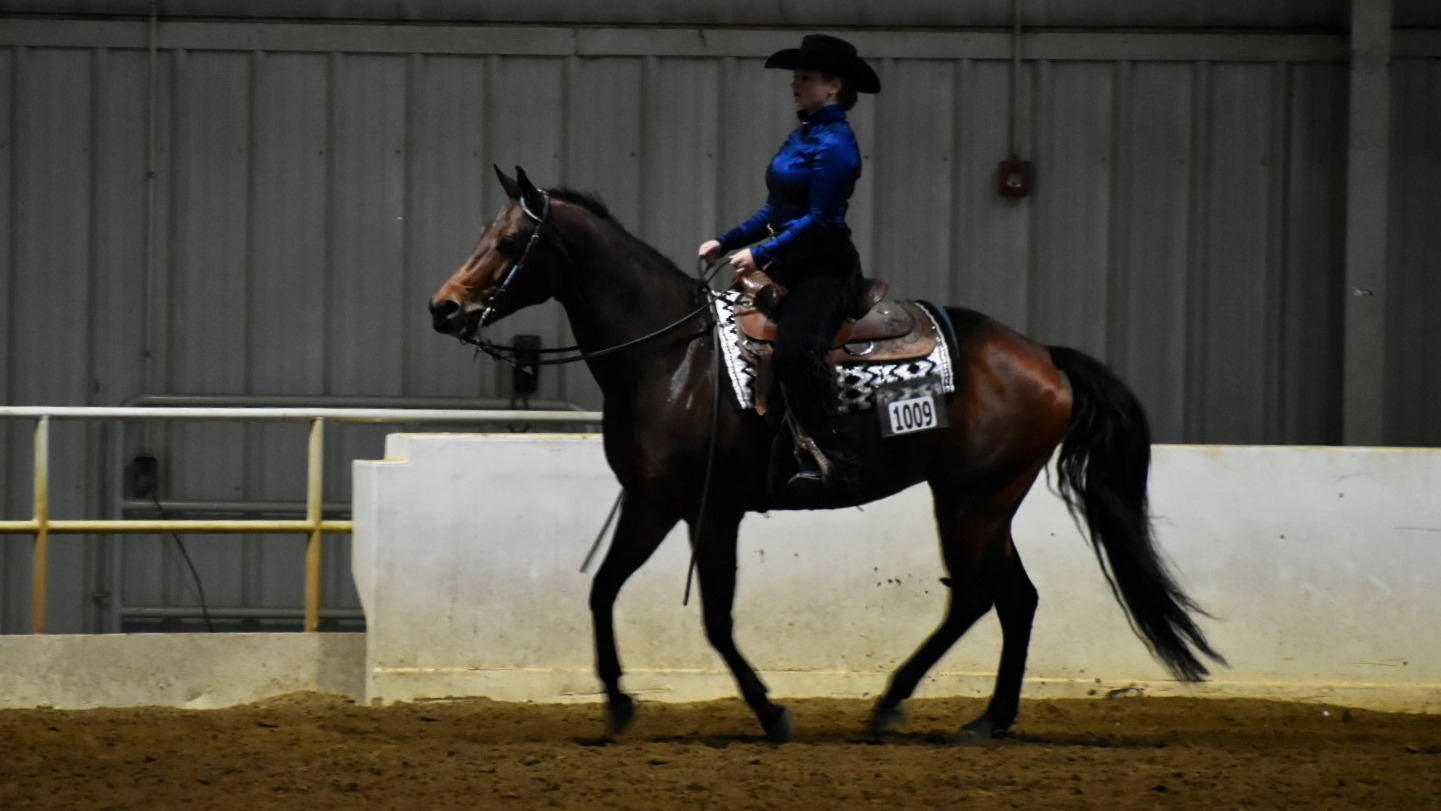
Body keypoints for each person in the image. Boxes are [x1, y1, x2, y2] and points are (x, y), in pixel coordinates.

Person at [698, 34, 881, 492]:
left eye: (804, 77)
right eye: (796, 76)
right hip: (789, 262)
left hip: (825, 269)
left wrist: (759, 253)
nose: (795, 84)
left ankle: (828, 455)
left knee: (795, 349)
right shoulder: (804, 136)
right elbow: (775, 211)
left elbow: (822, 220)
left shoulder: (837, 144)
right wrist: (726, 241)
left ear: (833, 87)